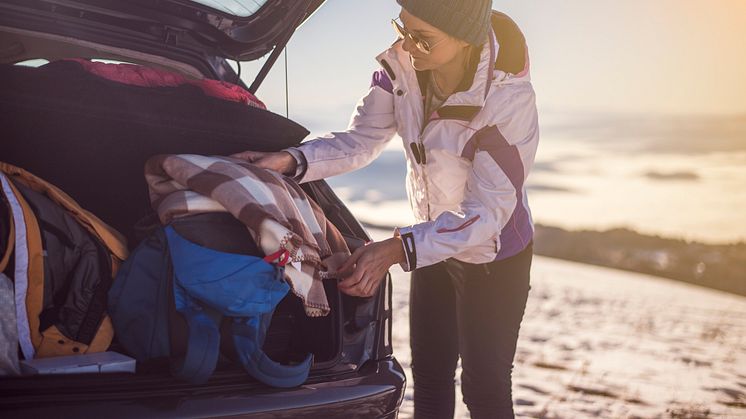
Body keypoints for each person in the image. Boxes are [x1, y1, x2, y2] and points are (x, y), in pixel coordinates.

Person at [234, 1, 539, 417]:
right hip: (430, 244)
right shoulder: (402, 65)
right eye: (403, 27)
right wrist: (290, 161)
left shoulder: (508, 102)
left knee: (484, 388)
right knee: (430, 377)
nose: (406, 44)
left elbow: (486, 214)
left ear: (464, 35)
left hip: (493, 256)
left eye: (422, 37)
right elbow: (362, 139)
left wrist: (398, 249)